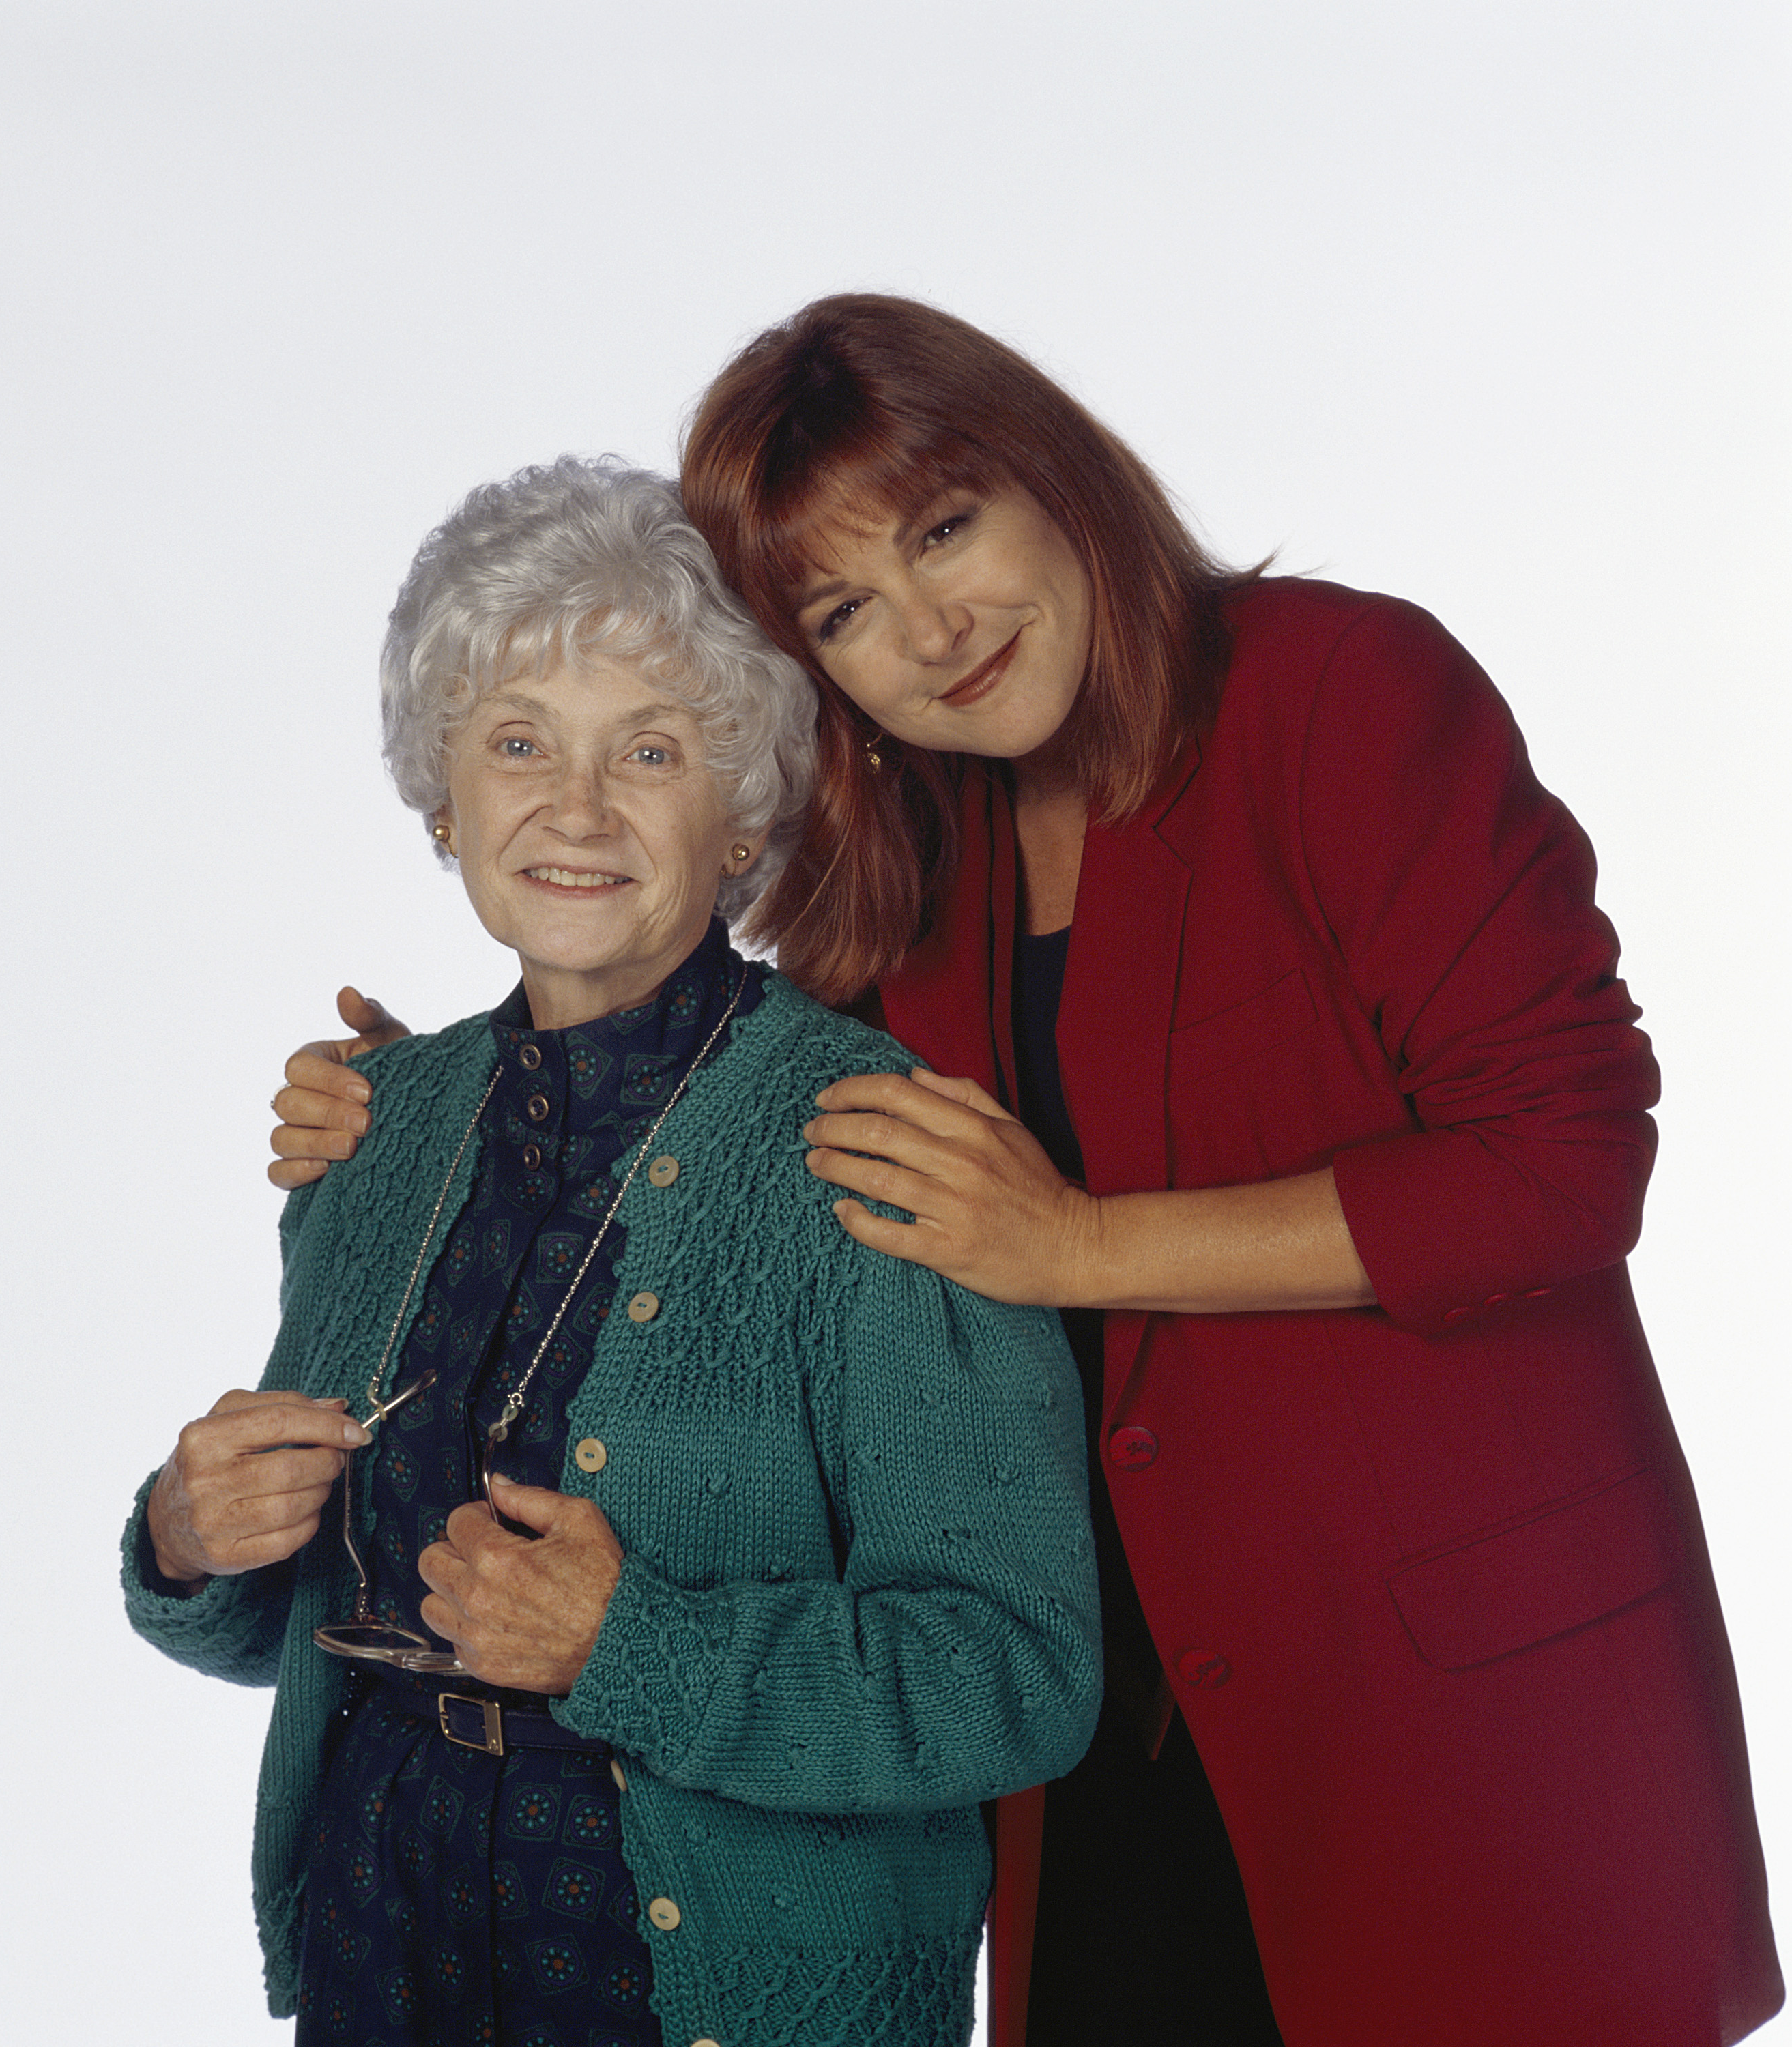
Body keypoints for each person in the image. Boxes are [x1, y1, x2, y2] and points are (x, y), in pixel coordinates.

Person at [272, 301, 1783, 2047]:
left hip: (1445, 1722)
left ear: (1049, 476)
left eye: (941, 530)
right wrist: (433, 1103)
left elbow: (1562, 1161)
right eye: (841, 611)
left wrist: (1076, 1245)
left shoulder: (1340, 692)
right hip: (1106, 1766)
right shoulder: (901, 870)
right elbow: (708, 1089)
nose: (931, 630)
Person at [128, 455, 1103, 2047]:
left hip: (717, 1993)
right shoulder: (372, 1134)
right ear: (444, 804)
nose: (573, 811)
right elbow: (306, 1612)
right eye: (519, 745)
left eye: (649, 751)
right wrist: (187, 1535)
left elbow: (1015, 1673)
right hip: (386, 1951)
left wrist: (629, 1645)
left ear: (741, 815)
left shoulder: (875, 1143)